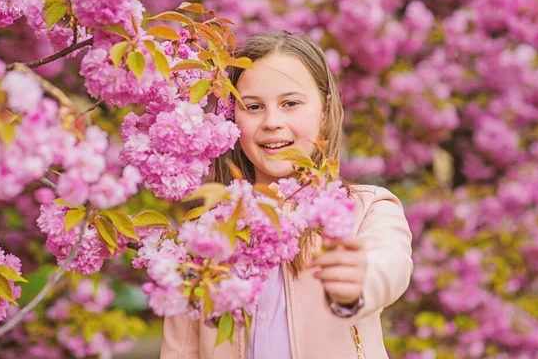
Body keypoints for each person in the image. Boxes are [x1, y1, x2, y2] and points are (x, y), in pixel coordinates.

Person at [160, 31, 413, 359]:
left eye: (290, 103)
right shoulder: (209, 231)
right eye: (253, 106)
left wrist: (359, 281)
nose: (272, 122)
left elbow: (389, 265)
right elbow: (181, 349)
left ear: (324, 110)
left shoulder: (367, 209)